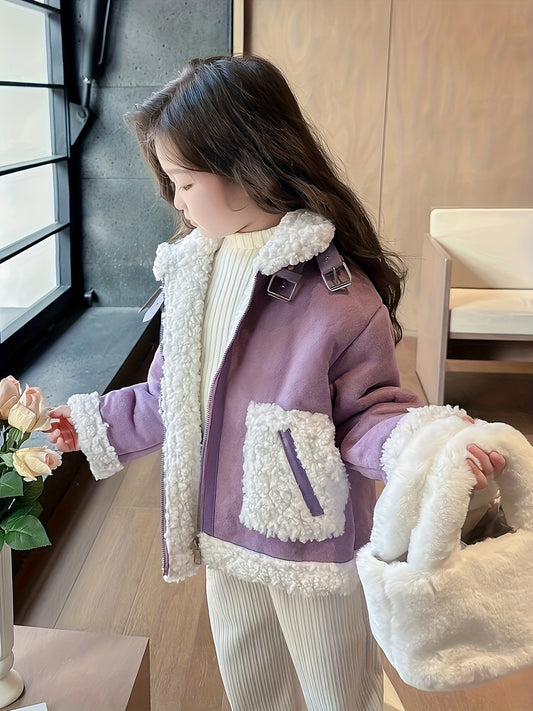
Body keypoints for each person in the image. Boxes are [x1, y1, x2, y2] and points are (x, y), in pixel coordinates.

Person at [48, 55, 505, 711]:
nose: (175, 200)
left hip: (310, 540)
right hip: (222, 530)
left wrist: (425, 447)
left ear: (247, 166)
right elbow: (168, 399)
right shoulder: (190, 275)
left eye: (183, 181)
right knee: (249, 676)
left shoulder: (337, 296)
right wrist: (82, 424)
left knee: (337, 684)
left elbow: (369, 414)